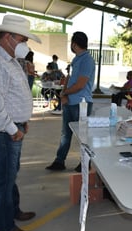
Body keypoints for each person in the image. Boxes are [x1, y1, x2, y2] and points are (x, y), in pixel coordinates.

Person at [0, 14, 41, 231]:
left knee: (10, 173)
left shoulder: (10, 60)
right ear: (7, 37)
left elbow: (15, 95)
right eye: (22, 39)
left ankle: (13, 210)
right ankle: (4, 226)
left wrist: (23, 121)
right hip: (4, 129)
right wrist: (14, 130)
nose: (25, 44)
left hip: (13, 127)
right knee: (5, 177)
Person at [45, 31, 95, 171]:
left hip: (82, 104)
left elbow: (80, 85)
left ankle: (85, 162)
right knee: (65, 134)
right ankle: (59, 161)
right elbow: (69, 78)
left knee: (83, 136)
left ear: (74, 44)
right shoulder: (75, 59)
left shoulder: (87, 60)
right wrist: (64, 94)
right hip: (70, 102)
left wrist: (65, 93)